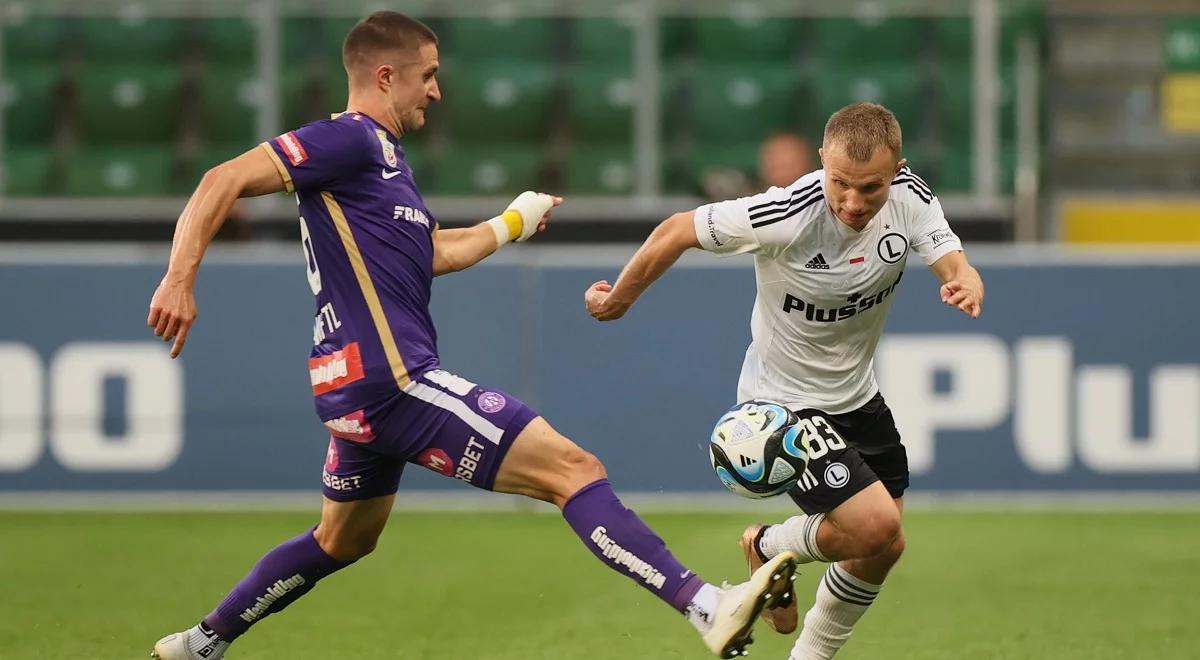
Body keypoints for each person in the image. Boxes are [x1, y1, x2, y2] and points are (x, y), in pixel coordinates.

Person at [147, 11, 797, 660]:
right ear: (384, 76)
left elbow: (434, 252)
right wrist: (180, 277)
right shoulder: (348, 140)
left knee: (341, 540)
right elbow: (220, 180)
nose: (436, 90)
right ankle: (706, 606)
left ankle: (201, 643)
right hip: (394, 379)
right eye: (427, 76)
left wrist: (512, 220)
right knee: (574, 471)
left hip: (354, 386)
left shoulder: (383, 162)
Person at [584, 102, 984, 660]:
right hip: (784, 408)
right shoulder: (788, 212)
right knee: (874, 525)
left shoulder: (911, 198)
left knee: (884, 546)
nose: (852, 202)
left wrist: (964, 281)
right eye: (840, 183)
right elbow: (676, 230)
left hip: (857, 398)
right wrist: (618, 300)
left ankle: (804, 646)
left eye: (870, 189)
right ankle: (770, 542)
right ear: (822, 162)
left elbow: (952, 259)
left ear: (896, 171)